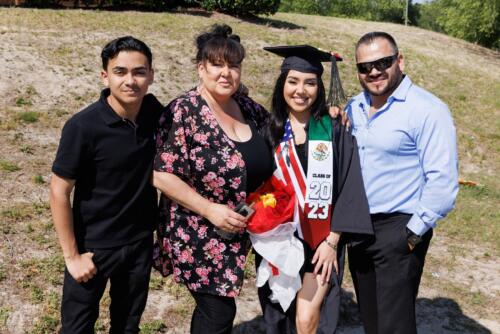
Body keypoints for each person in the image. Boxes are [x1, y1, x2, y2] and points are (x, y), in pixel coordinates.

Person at [152, 24, 273, 334]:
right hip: (197, 231)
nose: (226, 73)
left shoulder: (248, 108)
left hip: (240, 231)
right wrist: (209, 209)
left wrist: (327, 117)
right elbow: (162, 175)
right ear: (200, 67)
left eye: (233, 65)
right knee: (218, 311)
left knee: (218, 311)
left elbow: (282, 133)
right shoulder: (184, 112)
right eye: (217, 64)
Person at [345, 31, 459, 334]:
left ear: (400, 60)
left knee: (394, 327)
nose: (373, 72)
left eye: (382, 62)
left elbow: (442, 181)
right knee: (371, 321)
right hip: (358, 230)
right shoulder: (353, 107)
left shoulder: (427, 109)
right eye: (364, 67)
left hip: (398, 229)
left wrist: (412, 233)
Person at [257, 45, 373, 334]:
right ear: (282, 84)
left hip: (320, 239)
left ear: (319, 88)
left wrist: (332, 241)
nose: (301, 90)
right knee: (279, 317)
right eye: (293, 81)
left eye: (310, 83)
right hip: (279, 240)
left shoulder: (332, 128)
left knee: (307, 318)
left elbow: (349, 184)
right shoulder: (267, 130)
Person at [49, 36, 162, 333]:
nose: (131, 81)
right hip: (93, 246)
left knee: (127, 326)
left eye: (139, 72)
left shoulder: (155, 113)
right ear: (105, 75)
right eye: (120, 71)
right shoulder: (83, 127)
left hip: (138, 244)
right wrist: (72, 257)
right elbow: (59, 191)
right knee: (76, 328)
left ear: (151, 75)